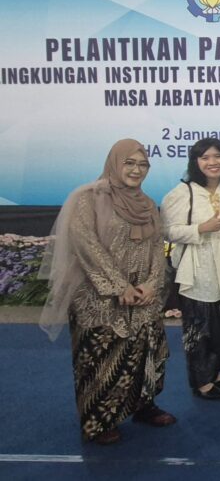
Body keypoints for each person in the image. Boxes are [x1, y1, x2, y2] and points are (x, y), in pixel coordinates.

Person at [40, 139, 174, 444]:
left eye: (143, 164)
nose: (137, 170)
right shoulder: (88, 198)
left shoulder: (147, 203)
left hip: (142, 296)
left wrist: (152, 282)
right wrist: (118, 285)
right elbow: (85, 244)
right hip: (98, 297)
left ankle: (143, 405)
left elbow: (157, 246)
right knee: (100, 360)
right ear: (114, 163)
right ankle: (99, 421)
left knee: (145, 352)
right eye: (130, 163)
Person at [161, 138, 220, 400]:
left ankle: (216, 374)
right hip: (196, 270)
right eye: (205, 157)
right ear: (195, 162)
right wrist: (200, 229)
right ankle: (201, 382)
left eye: (218, 156)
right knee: (198, 328)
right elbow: (168, 231)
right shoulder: (183, 192)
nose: (212, 162)